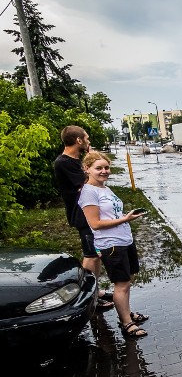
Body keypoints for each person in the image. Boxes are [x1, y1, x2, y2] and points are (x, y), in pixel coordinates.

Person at [78, 151, 149, 338]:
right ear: (87, 169)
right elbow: (95, 224)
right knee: (121, 284)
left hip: (124, 239)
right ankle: (126, 323)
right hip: (111, 244)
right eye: (99, 168)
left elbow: (111, 214)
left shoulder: (105, 188)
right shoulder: (88, 192)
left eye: (106, 167)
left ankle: (126, 312)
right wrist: (125, 219)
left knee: (126, 282)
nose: (104, 171)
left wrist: (125, 218)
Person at [54, 126, 114, 311]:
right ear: (79, 140)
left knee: (96, 255)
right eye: (86, 138)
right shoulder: (64, 162)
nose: (88, 141)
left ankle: (96, 291)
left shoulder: (75, 161)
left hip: (90, 213)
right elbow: (89, 184)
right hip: (83, 216)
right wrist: (94, 158)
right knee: (91, 256)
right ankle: (88, 296)